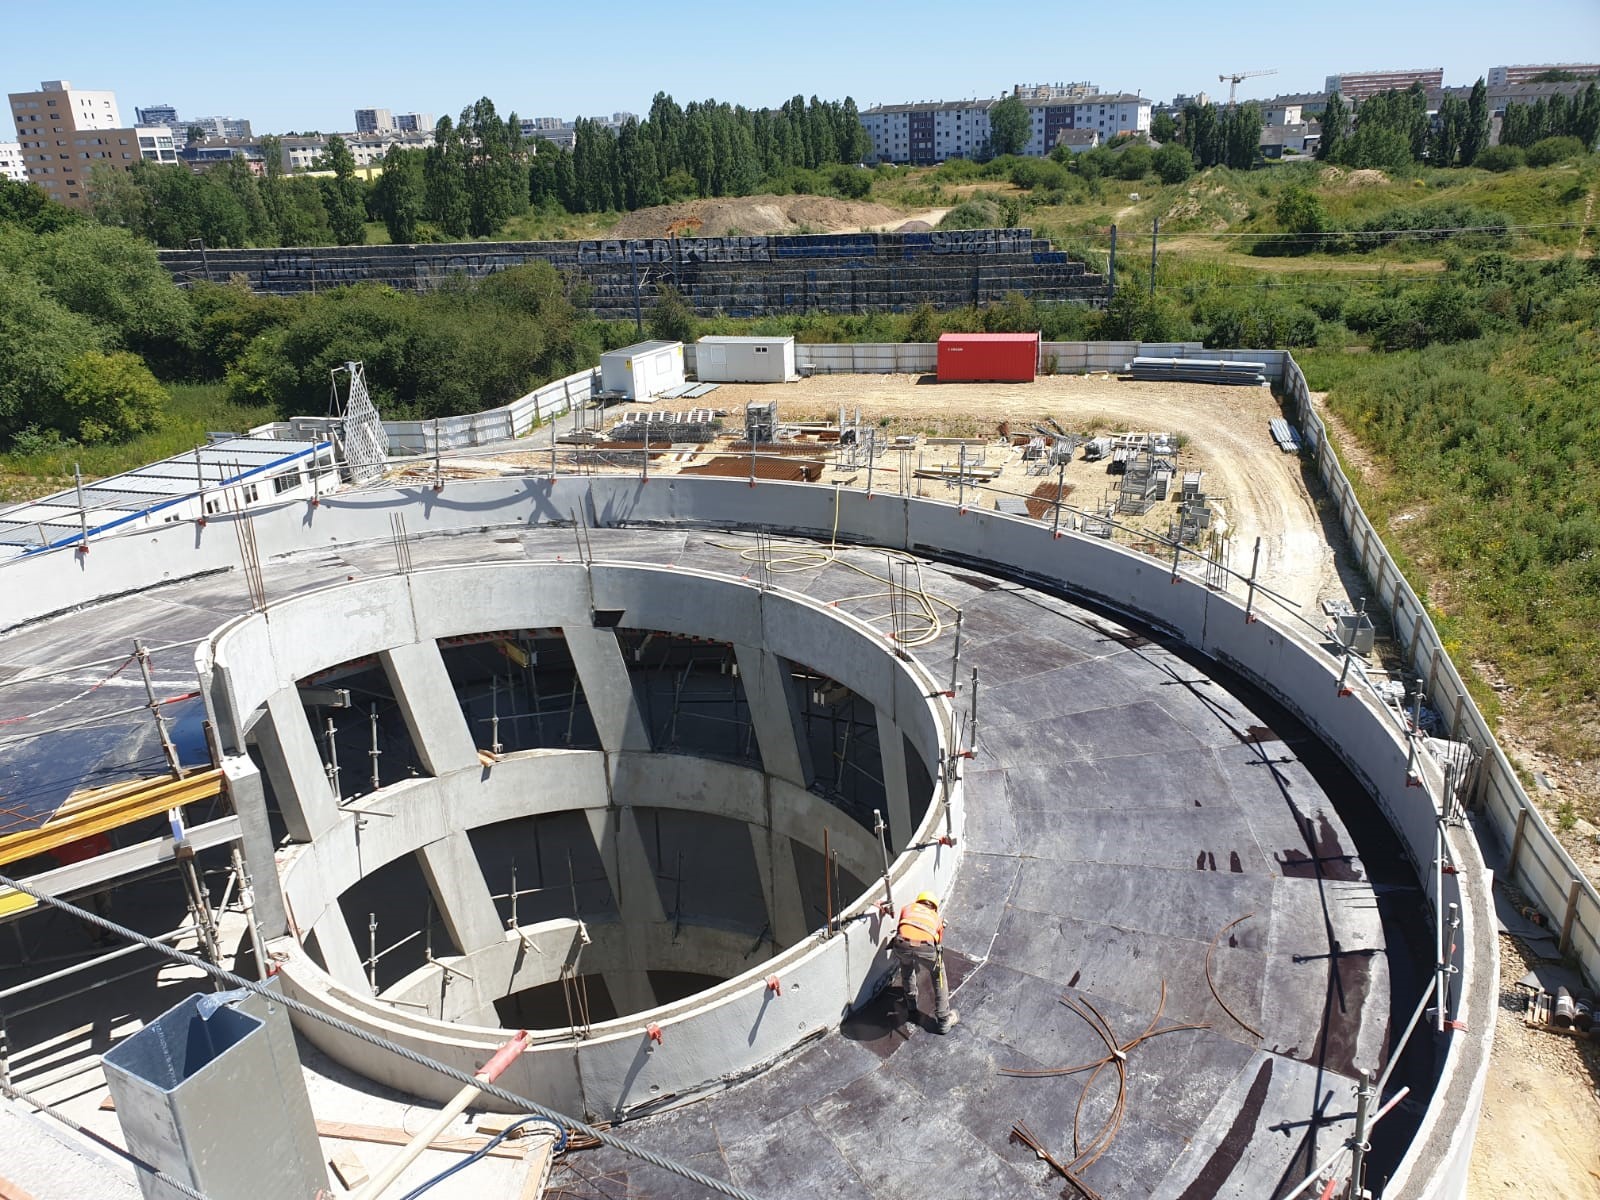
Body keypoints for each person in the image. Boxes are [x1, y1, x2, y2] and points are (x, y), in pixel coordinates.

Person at [889, 891, 957, 1034]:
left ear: (918, 902)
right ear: (934, 907)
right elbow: (937, 942)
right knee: (938, 976)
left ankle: (911, 1004)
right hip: (926, 948)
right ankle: (944, 1020)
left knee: (906, 968)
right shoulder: (936, 918)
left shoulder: (907, 908)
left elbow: (903, 929)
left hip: (901, 945)